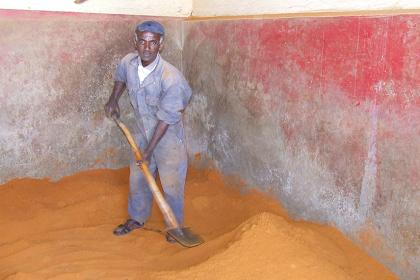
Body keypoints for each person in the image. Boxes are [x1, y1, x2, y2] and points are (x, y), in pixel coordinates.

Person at [104, 20, 192, 242]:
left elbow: (166, 119)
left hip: (168, 137)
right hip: (142, 131)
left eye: (152, 43)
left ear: (161, 44)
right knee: (138, 177)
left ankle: (175, 226)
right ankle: (137, 217)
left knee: (171, 183)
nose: (146, 47)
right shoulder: (128, 62)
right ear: (135, 42)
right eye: (142, 41)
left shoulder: (171, 79)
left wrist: (149, 150)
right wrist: (113, 100)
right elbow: (121, 78)